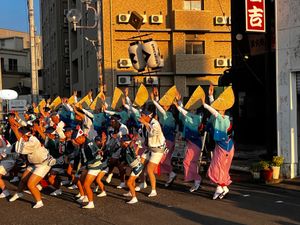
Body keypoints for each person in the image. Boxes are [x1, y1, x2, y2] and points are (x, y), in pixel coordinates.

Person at [9, 126, 54, 209]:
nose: (19, 137)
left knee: (31, 184)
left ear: (23, 135)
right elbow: (21, 144)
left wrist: (16, 131)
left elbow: (21, 148)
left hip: (43, 164)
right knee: (23, 179)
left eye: (20, 135)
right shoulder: (29, 139)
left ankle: (39, 201)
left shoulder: (33, 141)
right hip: (33, 164)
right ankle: (19, 193)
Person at [202, 85, 235, 200]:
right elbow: (215, 112)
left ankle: (220, 187)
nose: (217, 109)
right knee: (219, 167)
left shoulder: (224, 119)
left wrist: (205, 104)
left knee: (218, 168)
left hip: (225, 147)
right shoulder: (221, 117)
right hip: (223, 147)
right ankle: (222, 187)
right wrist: (210, 96)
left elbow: (215, 113)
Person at [173, 93, 203, 192]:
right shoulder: (189, 116)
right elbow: (184, 113)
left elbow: (184, 112)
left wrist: (178, 105)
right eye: (190, 108)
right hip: (190, 142)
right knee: (188, 162)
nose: (191, 110)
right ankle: (196, 181)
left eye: (193, 109)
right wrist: (179, 101)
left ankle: (197, 181)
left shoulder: (197, 117)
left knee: (191, 162)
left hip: (195, 143)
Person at [150, 88, 177, 187]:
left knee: (163, 159)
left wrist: (154, 100)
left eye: (166, 105)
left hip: (168, 140)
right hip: (166, 140)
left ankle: (171, 174)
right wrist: (157, 97)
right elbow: (159, 109)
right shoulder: (165, 115)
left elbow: (160, 110)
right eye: (163, 104)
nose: (164, 106)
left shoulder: (168, 115)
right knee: (163, 159)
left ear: (169, 106)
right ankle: (170, 174)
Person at [139, 110, 166, 197]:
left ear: (147, 116)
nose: (141, 117)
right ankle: (143, 183)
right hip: (149, 148)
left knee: (149, 169)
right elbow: (143, 137)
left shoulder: (155, 123)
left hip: (158, 150)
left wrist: (145, 124)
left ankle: (153, 190)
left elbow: (153, 133)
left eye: (142, 115)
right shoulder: (144, 124)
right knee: (140, 165)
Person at [120, 135, 144, 204]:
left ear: (125, 142)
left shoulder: (129, 147)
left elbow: (131, 145)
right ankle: (131, 193)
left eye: (121, 141)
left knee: (129, 183)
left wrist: (133, 140)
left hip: (137, 167)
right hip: (134, 167)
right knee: (132, 181)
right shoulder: (124, 148)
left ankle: (134, 198)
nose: (120, 142)